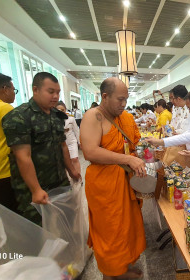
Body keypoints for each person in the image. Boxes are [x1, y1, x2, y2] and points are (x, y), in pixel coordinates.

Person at [80, 77, 146, 280]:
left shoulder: (125, 117)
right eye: (120, 99)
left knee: (127, 227)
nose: (123, 104)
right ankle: (110, 274)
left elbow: (133, 141)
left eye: (126, 99)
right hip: (104, 185)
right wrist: (126, 158)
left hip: (125, 181)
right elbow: (90, 152)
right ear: (105, 96)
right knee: (110, 230)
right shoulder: (94, 116)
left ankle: (123, 268)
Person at [2, 72, 80, 224]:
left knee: (68, 221)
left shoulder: (57, 116)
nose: (56, 96)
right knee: (38, 229)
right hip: (34, 185)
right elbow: (22, 156)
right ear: (35, 90)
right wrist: (36, 189)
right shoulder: (19, 117)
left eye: (57, 92)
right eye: (51, 92)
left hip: (60, 181)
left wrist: (71, 170)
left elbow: (62, 145)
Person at [0, 73, 18, 212]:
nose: (14, 94)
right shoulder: (4, 109)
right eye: (13, 90)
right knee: (9, 215)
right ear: (5, 89)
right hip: (3, 171)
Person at [56, 101, 81, 176]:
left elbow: (76, 130)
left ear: (65, 109)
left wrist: (79, 142)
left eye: (62, 110)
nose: (61, 111)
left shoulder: (71, 119)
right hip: (62, 143)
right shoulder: (54, 120)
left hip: (71, 141)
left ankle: (79, 175)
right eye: (59, 110)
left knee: (75, 159)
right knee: (66, 161)